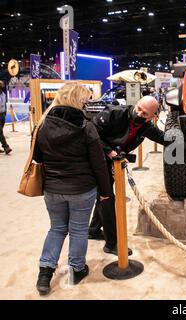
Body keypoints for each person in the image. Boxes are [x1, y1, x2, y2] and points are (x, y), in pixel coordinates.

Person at [33, 82, 113, 296]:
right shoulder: (86, 126)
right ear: (78, 101)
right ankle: (77, 270)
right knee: (77, 229)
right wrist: (105, 191)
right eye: (85, 100)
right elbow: (99, 164)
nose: (87, 104)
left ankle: (44, 273)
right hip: (81, 189)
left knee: (56, 228)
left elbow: (37, 158)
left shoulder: (42, 124)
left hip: (52, 188)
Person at [89, 95, 168, 256]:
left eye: (145, 114)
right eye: (139, 109)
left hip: (113, 160)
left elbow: (164, 138)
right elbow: (91, 133)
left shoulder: (145, 126)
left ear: (152, 117)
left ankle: (93, 230)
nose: (139, 114)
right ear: (136, 104)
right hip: (95, 158)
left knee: (104, 196)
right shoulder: (114, 113)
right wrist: (110, 152)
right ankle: (111, 244)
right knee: (107, 198)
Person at [0, 80, 12, 155]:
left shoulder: (3, 94)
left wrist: (5, 113)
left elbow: (4, 104)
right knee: (0, 132)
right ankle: (6, 147)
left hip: (2, 115)